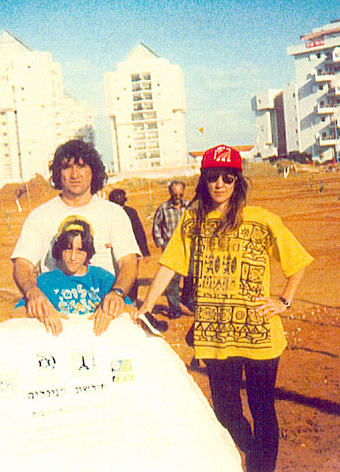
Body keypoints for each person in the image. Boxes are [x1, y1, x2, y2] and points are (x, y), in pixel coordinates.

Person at [138, 145, 313, 472]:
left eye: (227, 178)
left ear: (237, 182)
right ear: (203, 181)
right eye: (212, 177)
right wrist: (146, 305)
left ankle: (262, 467)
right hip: (215, 334)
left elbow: (297, 261)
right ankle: (253, 452)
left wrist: (283, 300)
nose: (219, 184)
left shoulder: (261, 220)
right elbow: (171, 264)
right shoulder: (193, 220)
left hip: (259, 333)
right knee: (226, 412)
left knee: (262, 408)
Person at [11, 139, 140, 336]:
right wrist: (33, 292)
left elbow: (128, 262)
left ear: (93, 171)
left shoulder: (114, 214)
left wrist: (118, 293)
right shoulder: (40, 215)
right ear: (58, 173)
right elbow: (22, 264)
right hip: (56, 325)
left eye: (81, 166)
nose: (74, 174)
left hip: (104, 322)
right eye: (67, 167)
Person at [14, 217, 132, 317]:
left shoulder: (101, 278)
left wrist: (111, 312)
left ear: (88, 251)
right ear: (60, 249)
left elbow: (130, 309)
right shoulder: (46, 281)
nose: (73, 257)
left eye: (80, 250)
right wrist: (42, 313)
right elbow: (17, 312)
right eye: (68, 249)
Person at [151, 180, 187, 318]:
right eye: (175, 195)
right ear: (170, 193)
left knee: (190, 276)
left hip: (187, 246)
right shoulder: (164, 208)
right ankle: (174, 307)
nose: (178, 197)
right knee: (172, 280)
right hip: (170, 248)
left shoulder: (189, 206)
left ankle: (188, 302)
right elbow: (156, 226)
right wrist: (161, 243)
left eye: (180, 194)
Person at [108, 188, 150, 304]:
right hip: (113, 249)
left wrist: (145, 251)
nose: (119, 199)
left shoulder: (131, 212)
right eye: (116, 198)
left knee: (131, 276)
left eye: (120, 197)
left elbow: (139, 231)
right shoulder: (107, 213)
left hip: (130, 249)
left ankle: (132, 301)